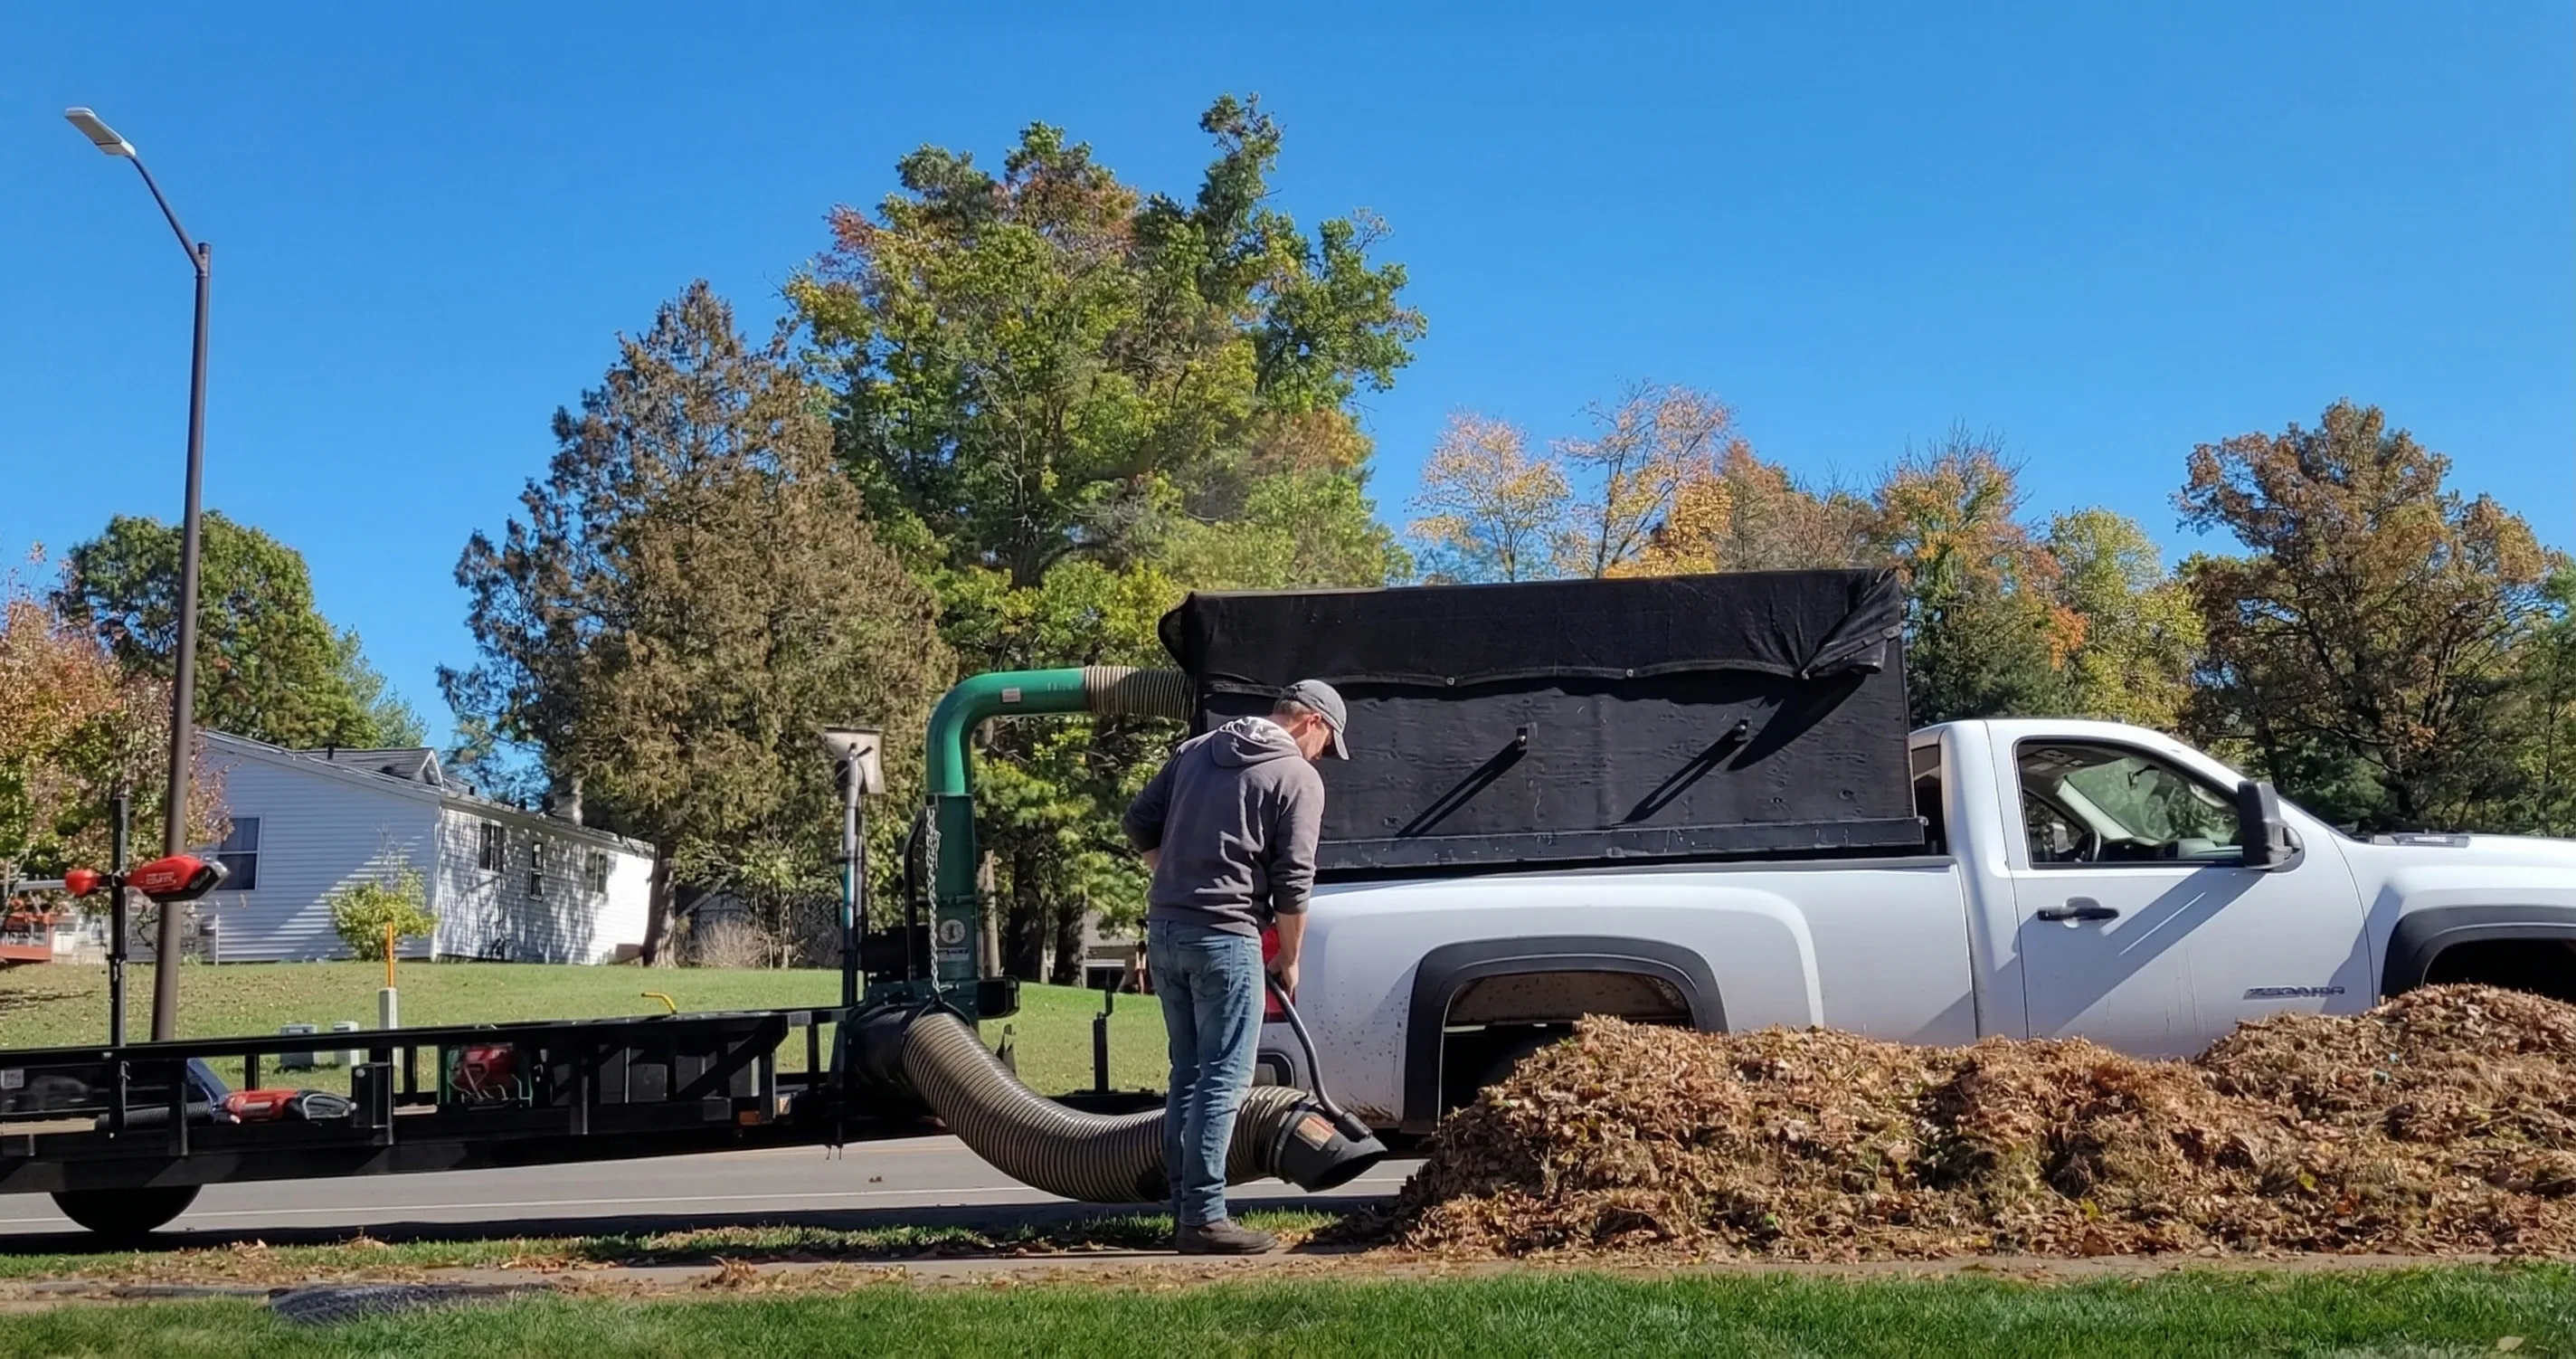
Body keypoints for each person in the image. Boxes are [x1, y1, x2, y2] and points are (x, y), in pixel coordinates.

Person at [1122, 679, 1348, 1254]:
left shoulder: (1197, 750)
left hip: (1165, 931)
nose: (1321, 756)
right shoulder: (1296, 776)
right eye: (1326, 744)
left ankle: (1184, 1209)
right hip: (1225, 937)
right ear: (1312, 722)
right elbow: (1293, 880)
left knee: (1188, 1073)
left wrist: (1176, 877)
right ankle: (1203, 1218)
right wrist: (1289, 958)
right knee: (1224, 1078)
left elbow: (1138, 821)